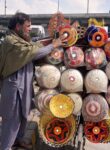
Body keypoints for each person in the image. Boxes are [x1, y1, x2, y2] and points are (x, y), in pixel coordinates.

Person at [0, 12, 65, 150]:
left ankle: (18, 140)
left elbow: (34, 47)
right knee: (12, 120)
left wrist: (50, 42)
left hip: (23, 85)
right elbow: (34, 53)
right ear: (18, 26)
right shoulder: (11, 42)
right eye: (27, 26)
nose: (30, 28)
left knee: (24, 115)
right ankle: (5, 146)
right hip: (14, 87)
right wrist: (53, 45)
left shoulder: (22, 41)